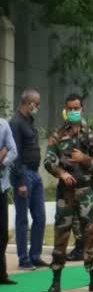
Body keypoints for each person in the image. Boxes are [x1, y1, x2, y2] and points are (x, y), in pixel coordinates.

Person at [44, 93, 93, 292]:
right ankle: (55, 280)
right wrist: (61, 173)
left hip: (86, 191)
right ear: (65, 109)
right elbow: (48, 160)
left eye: (76, 108)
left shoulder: (89, 133)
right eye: (69, 108)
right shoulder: (58, 133)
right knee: (61, 235)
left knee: (89, 234)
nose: (73, 112)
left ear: (82, 109)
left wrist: (84, 159)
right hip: (66, 193)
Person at [10, 88, 47, 270]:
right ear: (28, 102)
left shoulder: (29, 121)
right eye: (36, 104)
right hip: (23, 173)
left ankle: (35, 255)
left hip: (35, 172)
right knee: (22, 218)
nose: (37, 107)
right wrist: (21, 182)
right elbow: (15, 152)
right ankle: (23, 258)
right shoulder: (15, 122)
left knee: (40, 216)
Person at [0, 118, 18, 285]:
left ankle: (1, 273)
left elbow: (13, 150)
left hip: (2, 186)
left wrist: (2, 160)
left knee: (2, 233)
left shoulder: (3, 124)